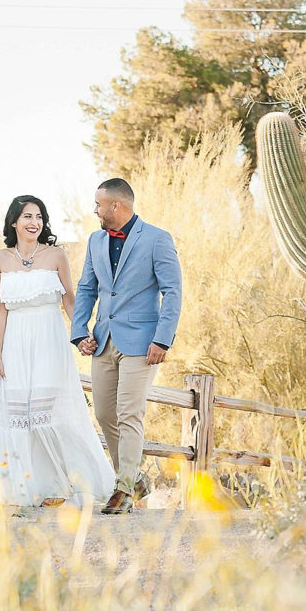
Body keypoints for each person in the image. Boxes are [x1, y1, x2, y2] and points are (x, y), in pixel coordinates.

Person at [0, 195, 116, 509]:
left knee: (46, 411)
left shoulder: (56, 256)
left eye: (38, 216)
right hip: (14, 343)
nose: (34, 222)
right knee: (18, 412)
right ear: (14, 221)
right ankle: (19, 486)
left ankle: (58, 485)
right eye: (26, 216)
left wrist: (81, 335)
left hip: (49, 340)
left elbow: (70, 301)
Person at [71, 178, 183, 514]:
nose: (95, 210)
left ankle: (122, 490)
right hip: (103, 339)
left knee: (129, 412)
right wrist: (79, 331)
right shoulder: (95, 240)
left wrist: (163, 338)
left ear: (117, 206)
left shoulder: (157, 239)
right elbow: (87, 288)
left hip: (143, 343)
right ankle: (134, 478)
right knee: (105, 413)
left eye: (98, 204)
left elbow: (173, 291)